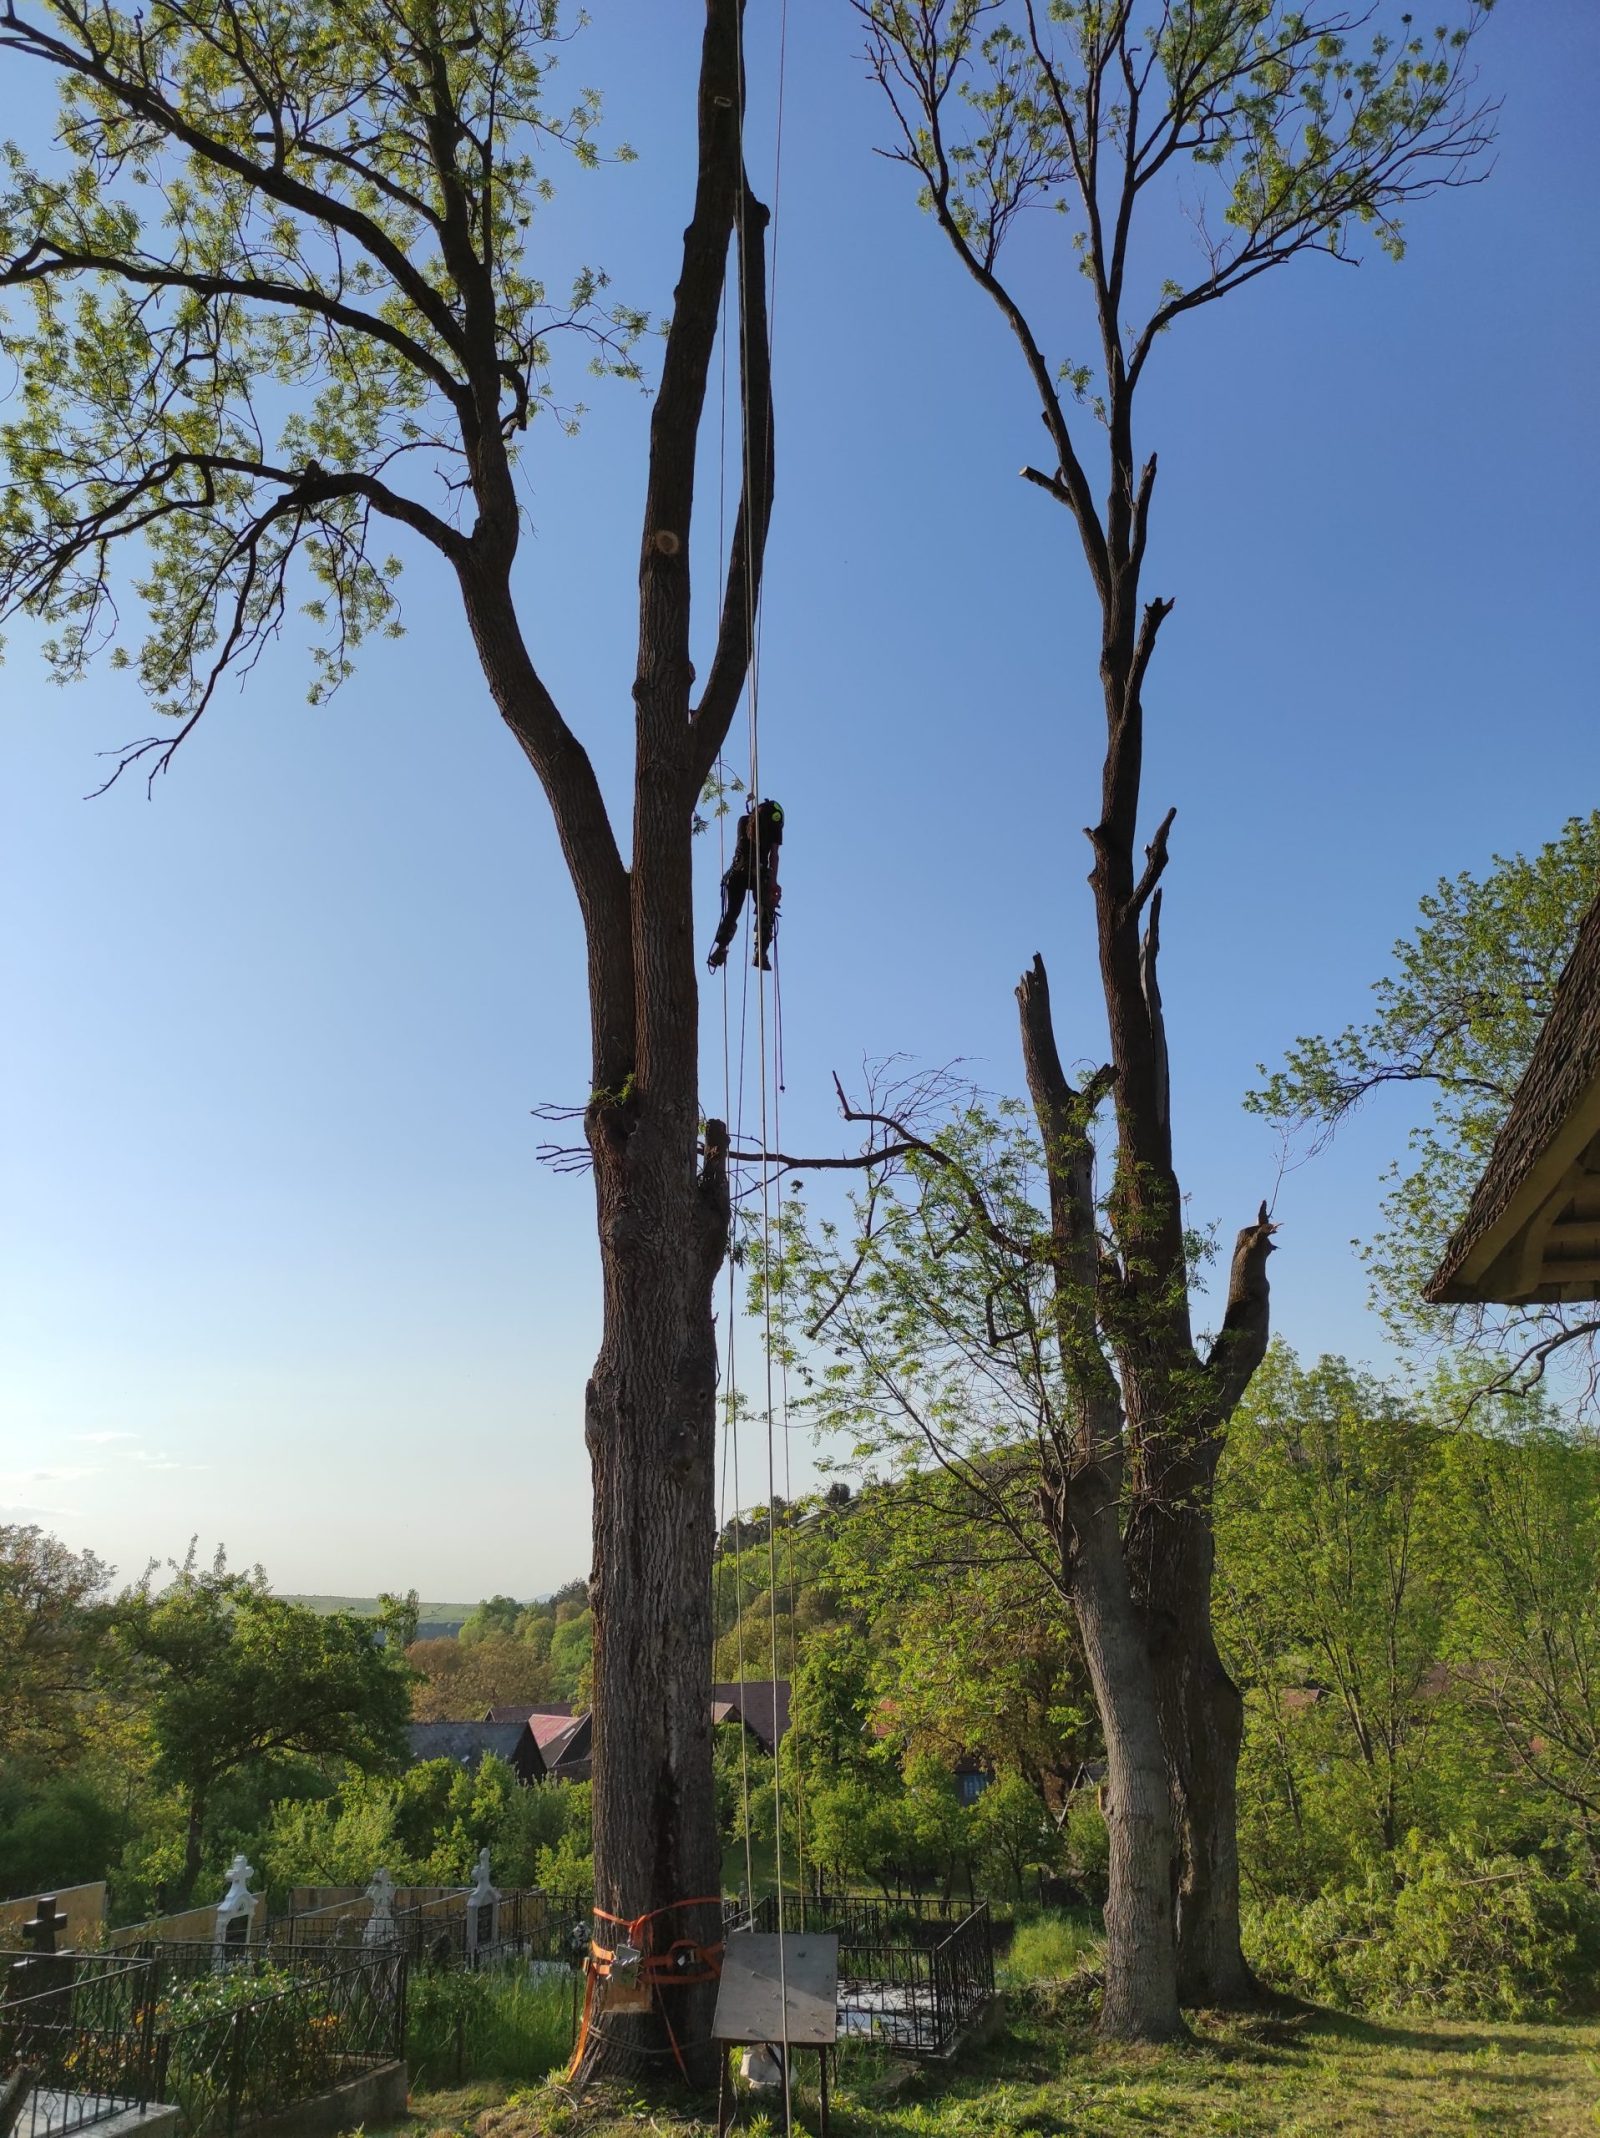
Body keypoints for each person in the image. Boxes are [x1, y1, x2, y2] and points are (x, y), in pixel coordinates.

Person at [707, 796, 784, 972]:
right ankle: (760, 951)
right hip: (759, 871)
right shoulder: (773, 826)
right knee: (766, 909)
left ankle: (721, 948)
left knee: (733, 911)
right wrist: (773, 882)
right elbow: (774, 856)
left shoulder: (743, 821)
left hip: (737, 872)